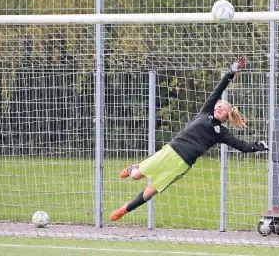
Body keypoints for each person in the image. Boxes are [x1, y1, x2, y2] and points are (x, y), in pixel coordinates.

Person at [109, 56, 269, 221]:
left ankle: (125, 209)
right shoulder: (205, 112)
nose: (220, 109)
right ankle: (131, 169)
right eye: (219, 106)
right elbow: (218, 90)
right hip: (170, 151)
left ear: (227, 116)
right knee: (136, 176)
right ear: (214, 107)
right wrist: (230, 73)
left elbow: (241, 145)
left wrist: (259, 145)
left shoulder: (220, 132)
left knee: (150, 192)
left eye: (224, 110)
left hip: (181, 164)